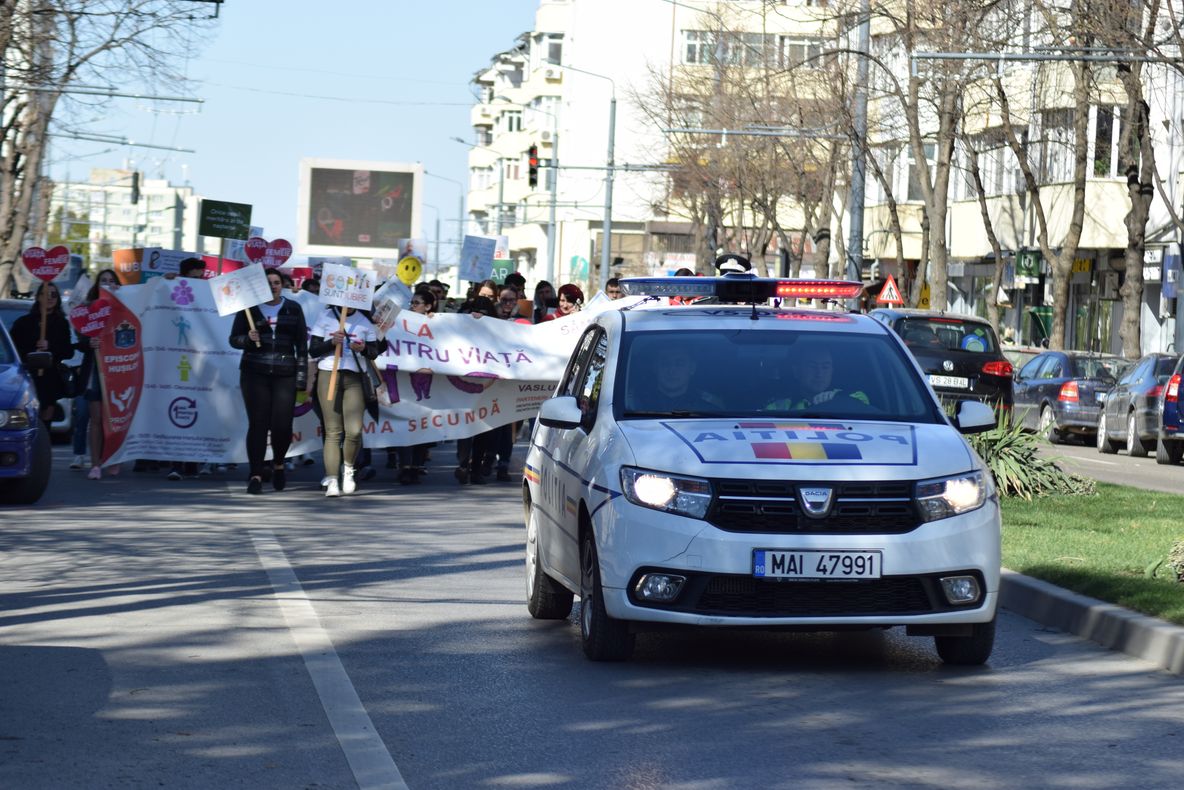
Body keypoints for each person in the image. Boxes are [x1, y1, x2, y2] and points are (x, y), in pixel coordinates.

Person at [229, 268, 309, 495]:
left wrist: (301, 378)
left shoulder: (294, 308)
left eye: (276, 282)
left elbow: (302, 345)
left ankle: (279, 464)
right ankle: (255, 473)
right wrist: (247, 338)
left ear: (282, 285)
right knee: (258, 424)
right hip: (255, 372)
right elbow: (234, 339)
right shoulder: (249, 309)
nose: (273, 286)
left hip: (285, 372)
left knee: (282, 425)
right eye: (268, 282)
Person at [309, 304, 380, 497]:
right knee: (332, 430)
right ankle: (332, 479)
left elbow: (375, 352)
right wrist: (331, 342)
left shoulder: (365, 321)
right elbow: (313, 350)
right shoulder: (325, 316)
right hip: (328, 375)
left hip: (355, 378)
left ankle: (348, 469)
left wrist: (364, 348)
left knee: (354, 431)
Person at [78, 269, 122, 480]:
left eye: (111, 281)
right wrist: (89, 342)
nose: (107, 283)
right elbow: (80, 340)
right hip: (96, 370)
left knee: (114, 417)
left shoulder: (123, 307)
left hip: (118, 369)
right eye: (103, 280)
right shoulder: (87, 309)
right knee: (95, 418)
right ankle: (95, 464)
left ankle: (113, 458)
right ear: (96, 284)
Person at [10, 281, 73, 426]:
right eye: (45, 294)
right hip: (28, 376)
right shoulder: (23, 323)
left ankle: (44, 444)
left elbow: (68, 351)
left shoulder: (61, 323)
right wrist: (33, 348)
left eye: (54, 294)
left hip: (50, 377)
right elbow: (14, 348)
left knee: (46, 420)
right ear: (38, 297)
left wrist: (50, 346)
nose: (50, 298)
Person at [766, 345, 869, 411]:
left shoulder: (853, 396)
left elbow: (862, 406)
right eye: (812, 366)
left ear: (832, 371)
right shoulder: (779, 407)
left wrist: (837, 398)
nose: (819, 373)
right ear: (797, 371)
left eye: (825, 367)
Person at [636, 347, 720, 414]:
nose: (671, 371)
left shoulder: (708, 408)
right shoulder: (635, 405)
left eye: (679, 364)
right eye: (665, 363)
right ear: (655, 368)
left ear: (692, 368)